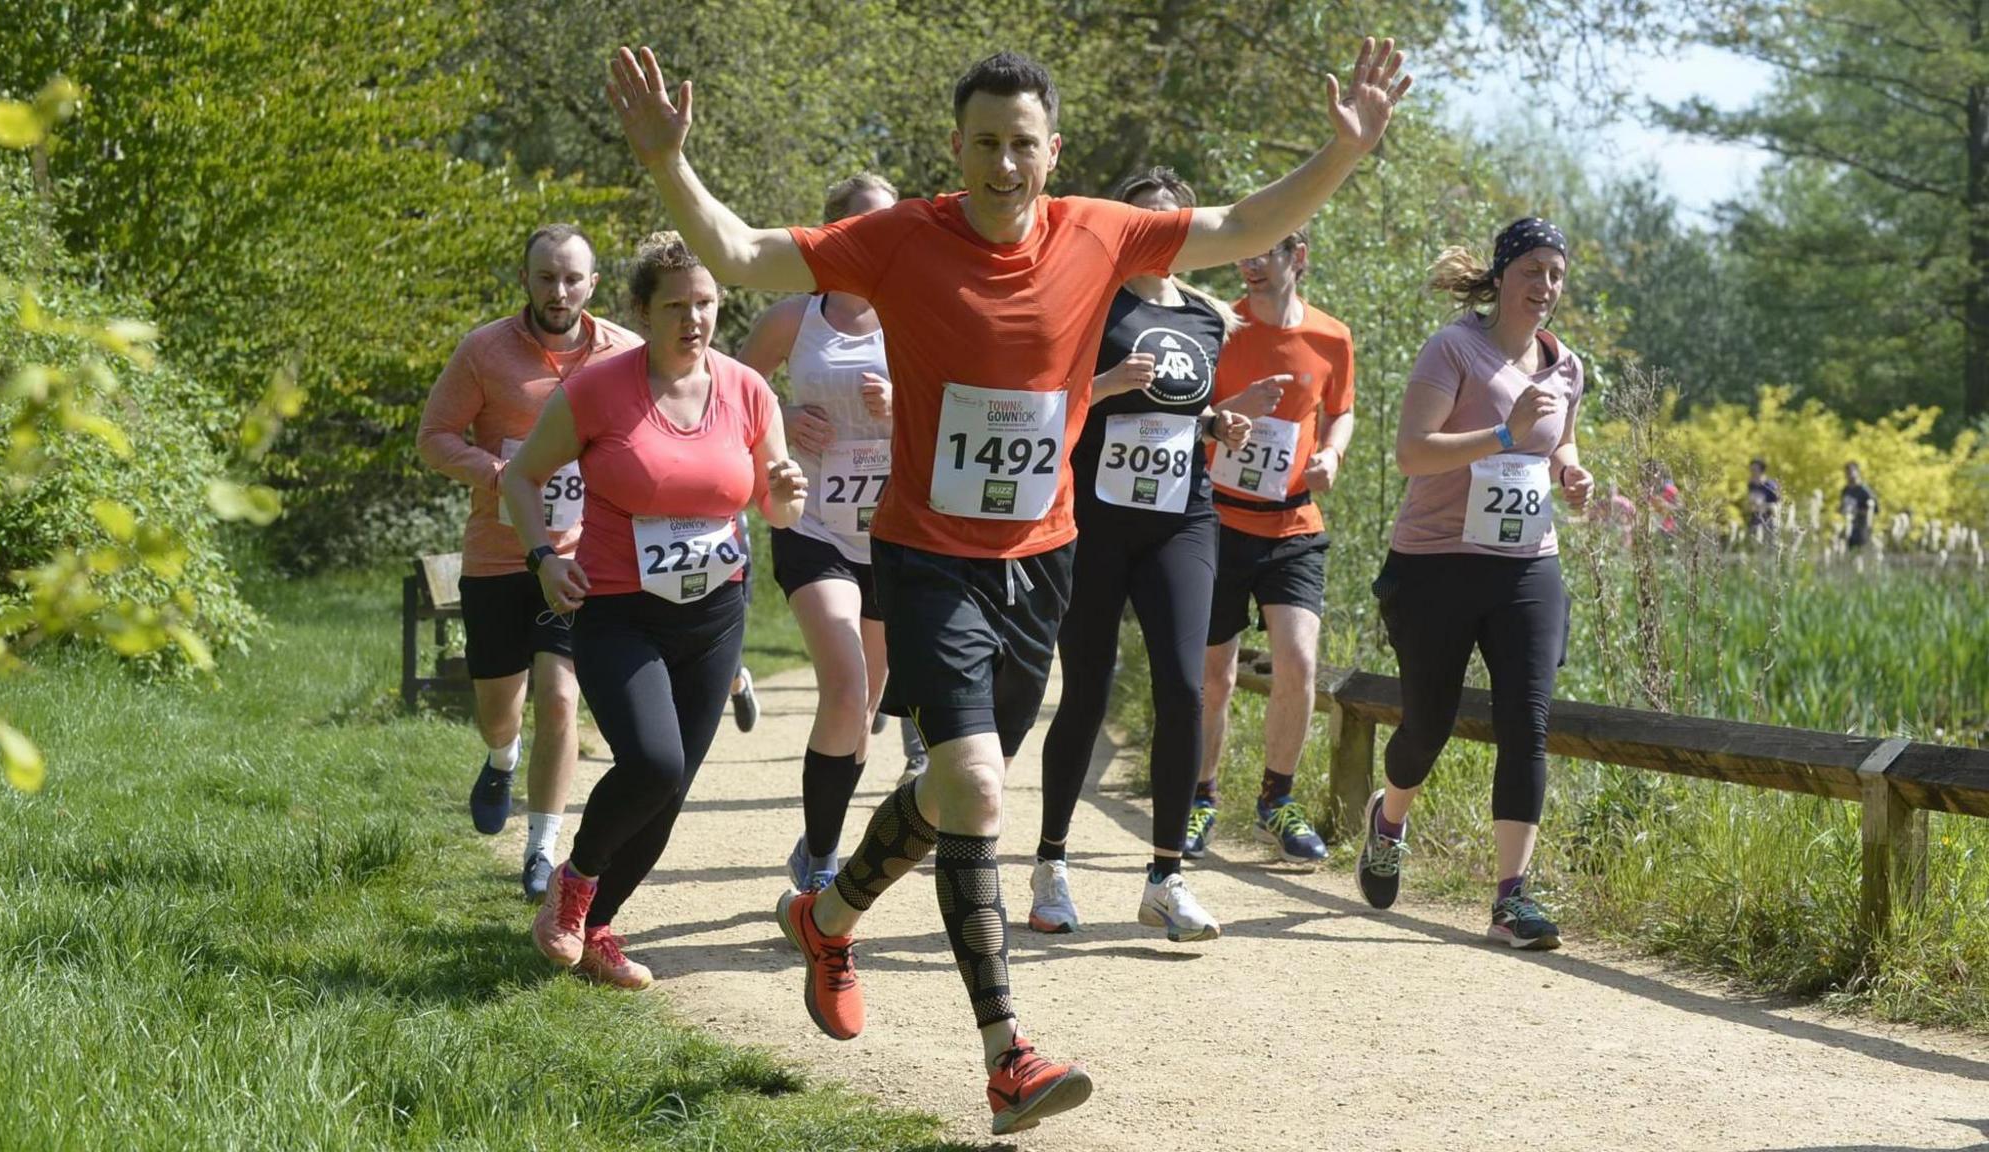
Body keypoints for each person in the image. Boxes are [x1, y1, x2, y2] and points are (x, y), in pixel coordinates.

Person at [605, 37, 1408, 1134]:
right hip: (926, 557)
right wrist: (666, 165)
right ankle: (1005, 1056)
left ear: (1050, 150)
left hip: (1041, 562)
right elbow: (744, 253)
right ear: (956, 147)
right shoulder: (899, 241)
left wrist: (1340, 154)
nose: (1001, 164)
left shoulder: (1099, 230)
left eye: (1020, 144)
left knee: (951, 795)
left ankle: (827, 919)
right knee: (978, 787)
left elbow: (1239, 228)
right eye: (982, 143)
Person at [512, 233, 806, 989]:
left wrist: (786, 495)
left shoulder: (747, 389)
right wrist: (546, 559)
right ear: (641, 311)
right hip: (618, 608)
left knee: (672, 789)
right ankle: (570, 888)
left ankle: (597, 924)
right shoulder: (599, 390)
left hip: (716, 612)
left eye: (706, 303)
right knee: (653, 762)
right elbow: (522, 477)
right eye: (676, 305)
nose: (694, 319)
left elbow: (769, 498)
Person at [1356, 217, 1594, 951]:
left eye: (1556, 274)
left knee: (1528, 720)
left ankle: (1511, 898)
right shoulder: (1452, 348)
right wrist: (1501, 433)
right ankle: (1389, 819)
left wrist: (1570, 471)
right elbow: (1412, 453)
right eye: (1533, 271)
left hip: (1527, 563)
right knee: (1428, 723)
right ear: (1502, 274)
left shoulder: (1566, 366)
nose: (1546, 287)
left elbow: (1560, 438)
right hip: (1436, 562)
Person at [1029, 167, 1254, 943]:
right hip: (1093, 518)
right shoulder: (1092, 299)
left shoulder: (1207, 317)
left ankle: (1165, 877)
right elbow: (1046, 399)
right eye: (1143, 219)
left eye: (1172, 220)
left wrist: (1218, 424)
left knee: (1186, 689)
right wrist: (1110, 383)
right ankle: (1051, 864)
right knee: (1087, 689)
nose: (1158, 230)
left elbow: (1186, 411)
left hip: (1182, 517)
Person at [416, 223, 642, 900]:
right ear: (526, 280)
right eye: (546, 277)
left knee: (562, 697)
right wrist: (503, 476)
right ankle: (500, 757)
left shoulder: (624, 353)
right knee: (498, 708)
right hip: (497, 555)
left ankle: (542, 849)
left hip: (577, 558)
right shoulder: (484, 351)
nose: (559, 291)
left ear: (593, 285)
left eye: (572, 278)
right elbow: (433, 438)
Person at [734, 171, 927, 894]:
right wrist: (784, 416)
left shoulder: (919, 314)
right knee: (845, 687)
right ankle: (820, 864)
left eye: (891, 225)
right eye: (864, 227)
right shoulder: (794, 318)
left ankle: (817, 838)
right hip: (811, 520)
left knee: (866, 706)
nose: (879, 240)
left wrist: (898, 411)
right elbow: (731, 399)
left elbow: (951, 419)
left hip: (890, 529)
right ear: (836, 233)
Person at [1185, 227, 1355, 868]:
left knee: (1299, 663)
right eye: (1244, 253)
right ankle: (1200, 798)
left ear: (1298, 258)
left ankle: (1276, 802)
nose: (1251, 264)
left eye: (1266, 253)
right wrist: (1231, 410)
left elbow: (1340, 408)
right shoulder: (1217, 326)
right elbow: (1183, 409)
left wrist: (1333, 452)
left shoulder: (1331, 336)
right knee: (1215, 677)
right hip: (1219, 521)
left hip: (1293, 525)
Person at [1840, 461, 1878, 549]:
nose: (1849, 474)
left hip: (1862, 529)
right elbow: (1842, 507)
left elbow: (1874, 510)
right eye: (1847, 472)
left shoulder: (1865, 490)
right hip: (1847, 527)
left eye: (1851, 471)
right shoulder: (1845, 490)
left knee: (1858, 556)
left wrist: (1856, 511)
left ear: (1857, 472)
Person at [1746, 457, 1782, 541]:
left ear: (1761, 470)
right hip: (1756, 517)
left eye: (1755, 469)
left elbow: (1778, 503)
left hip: (1770, 518)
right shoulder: (1751, 485)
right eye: (1751, 469)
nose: (1752, 472)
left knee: (1771, 542)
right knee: (1754, 541)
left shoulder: (1770, 485)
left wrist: (1764, 505)